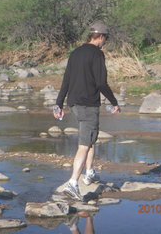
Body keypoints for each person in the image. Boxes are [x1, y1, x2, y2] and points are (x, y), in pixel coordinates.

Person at [54, 22, 121, 201]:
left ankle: (89, 172)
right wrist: (114, 102)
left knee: (90, 137)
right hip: (88, 105)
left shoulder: (75, 53)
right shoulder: (97, 54)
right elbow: (101, 83)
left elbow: (66, 80)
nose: (104, 42)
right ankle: (73, 183)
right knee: (84, 144)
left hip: (74, 103)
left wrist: (58, 104)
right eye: (105, 38)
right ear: (100, 37)